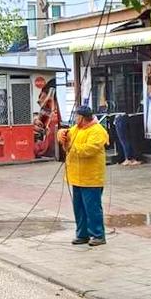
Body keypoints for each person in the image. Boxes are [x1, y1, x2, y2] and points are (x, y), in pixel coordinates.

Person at [58, 105, 110, 247]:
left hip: (91, 178)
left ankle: (98, 235)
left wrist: (70, 147)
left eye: (76, 116)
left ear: (82, 117)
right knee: (79, 208)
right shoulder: (77, 129)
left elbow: (88, 150)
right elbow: (64, 133)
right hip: (76, 177)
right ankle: (82, 234)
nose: (75, 118)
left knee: (92, 208)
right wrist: (61, 134)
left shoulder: (98, 131)